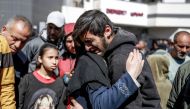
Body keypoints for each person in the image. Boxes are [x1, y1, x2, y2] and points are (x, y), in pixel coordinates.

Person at [70, 9, 160, 109]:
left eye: (89, 41)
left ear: (107, 31)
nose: (87, 47)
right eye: (84, 43)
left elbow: (130, 105)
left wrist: (129, 79)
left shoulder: (120, 58)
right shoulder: (117, 52)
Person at [18, 43, 66, 109]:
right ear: (40, 59)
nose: (54, 62)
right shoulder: (27, 80)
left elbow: (61, 106)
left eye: (56, 58)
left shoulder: (60, 83)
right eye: (50, 57)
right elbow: (19, 104)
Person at [0, 15, 32, 109]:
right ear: (4, 30)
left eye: (23, 42)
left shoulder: (23, 60)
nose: (18, 45)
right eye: (14, 38)